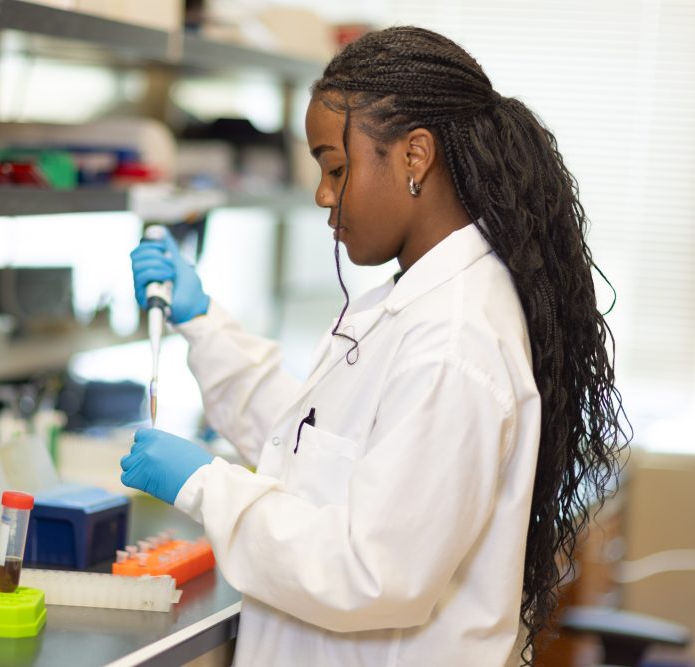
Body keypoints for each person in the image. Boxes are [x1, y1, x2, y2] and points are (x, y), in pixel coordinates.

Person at [122, 26, 629, 667]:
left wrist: (203, 485)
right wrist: (203, 324)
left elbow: (371, 572)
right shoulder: (413, 304)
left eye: (337, 167)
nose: (323, 193)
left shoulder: (454, 341)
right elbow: (312, 450)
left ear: (414, 157)